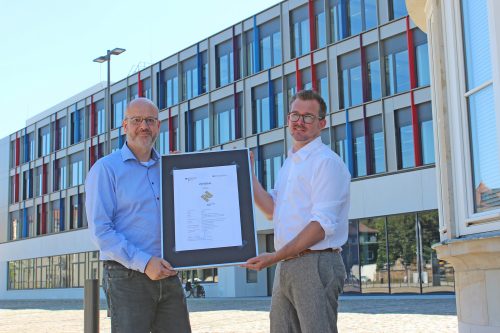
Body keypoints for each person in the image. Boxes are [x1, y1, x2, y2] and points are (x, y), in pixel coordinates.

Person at [243, 90, 351, 333]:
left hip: (316, 262)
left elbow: (320, 226)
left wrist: (275, 256)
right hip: (287, 264)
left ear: (322, 124)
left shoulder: (326, 162)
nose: (299, 121)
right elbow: (272, 210)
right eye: (295, 115)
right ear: (288, 119)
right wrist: (246, 174)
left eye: (308, 116)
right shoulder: (290, 163)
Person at [85, 98, 191, 333]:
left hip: (169, 272)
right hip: (127, 277)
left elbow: (188, 213)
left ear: (158, 126)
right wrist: (144, 263)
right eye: (137, 120)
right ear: (125, 126)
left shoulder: (169, 167)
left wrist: (186, 174)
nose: (144, 126)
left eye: (150, 120)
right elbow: (101, 231)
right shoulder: (106, 169)